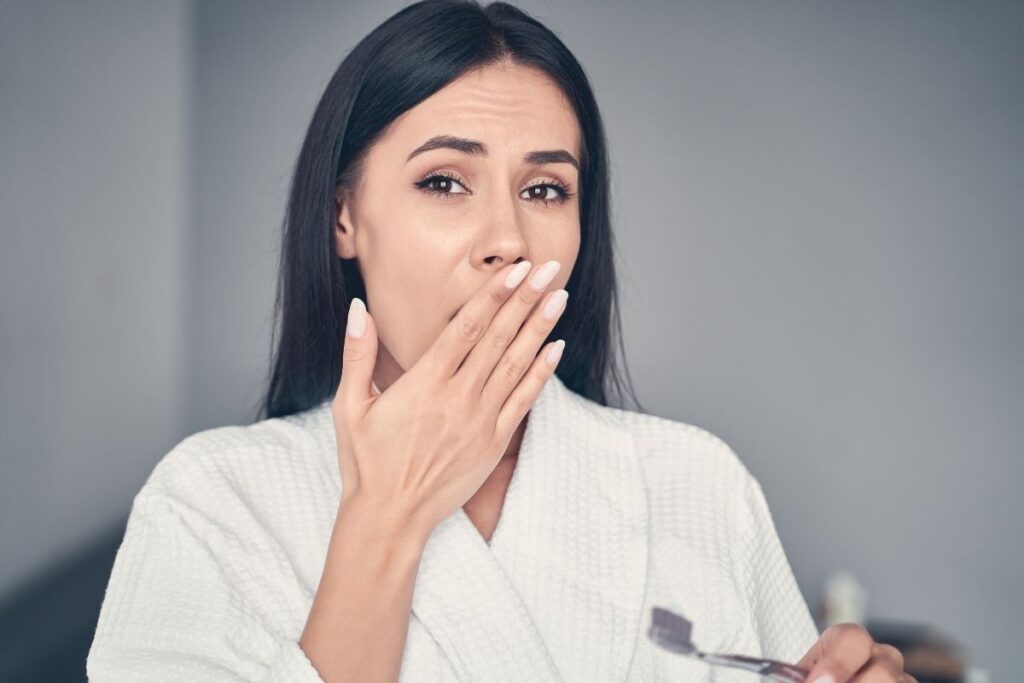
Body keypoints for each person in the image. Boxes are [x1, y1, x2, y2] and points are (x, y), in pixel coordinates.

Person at [86, 1, 915, 681]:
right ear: (344, 215)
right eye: (444, 180)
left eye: (545, 188)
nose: (507, 240)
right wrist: (386, 517)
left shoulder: (698, 484)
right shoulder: (212, 502)